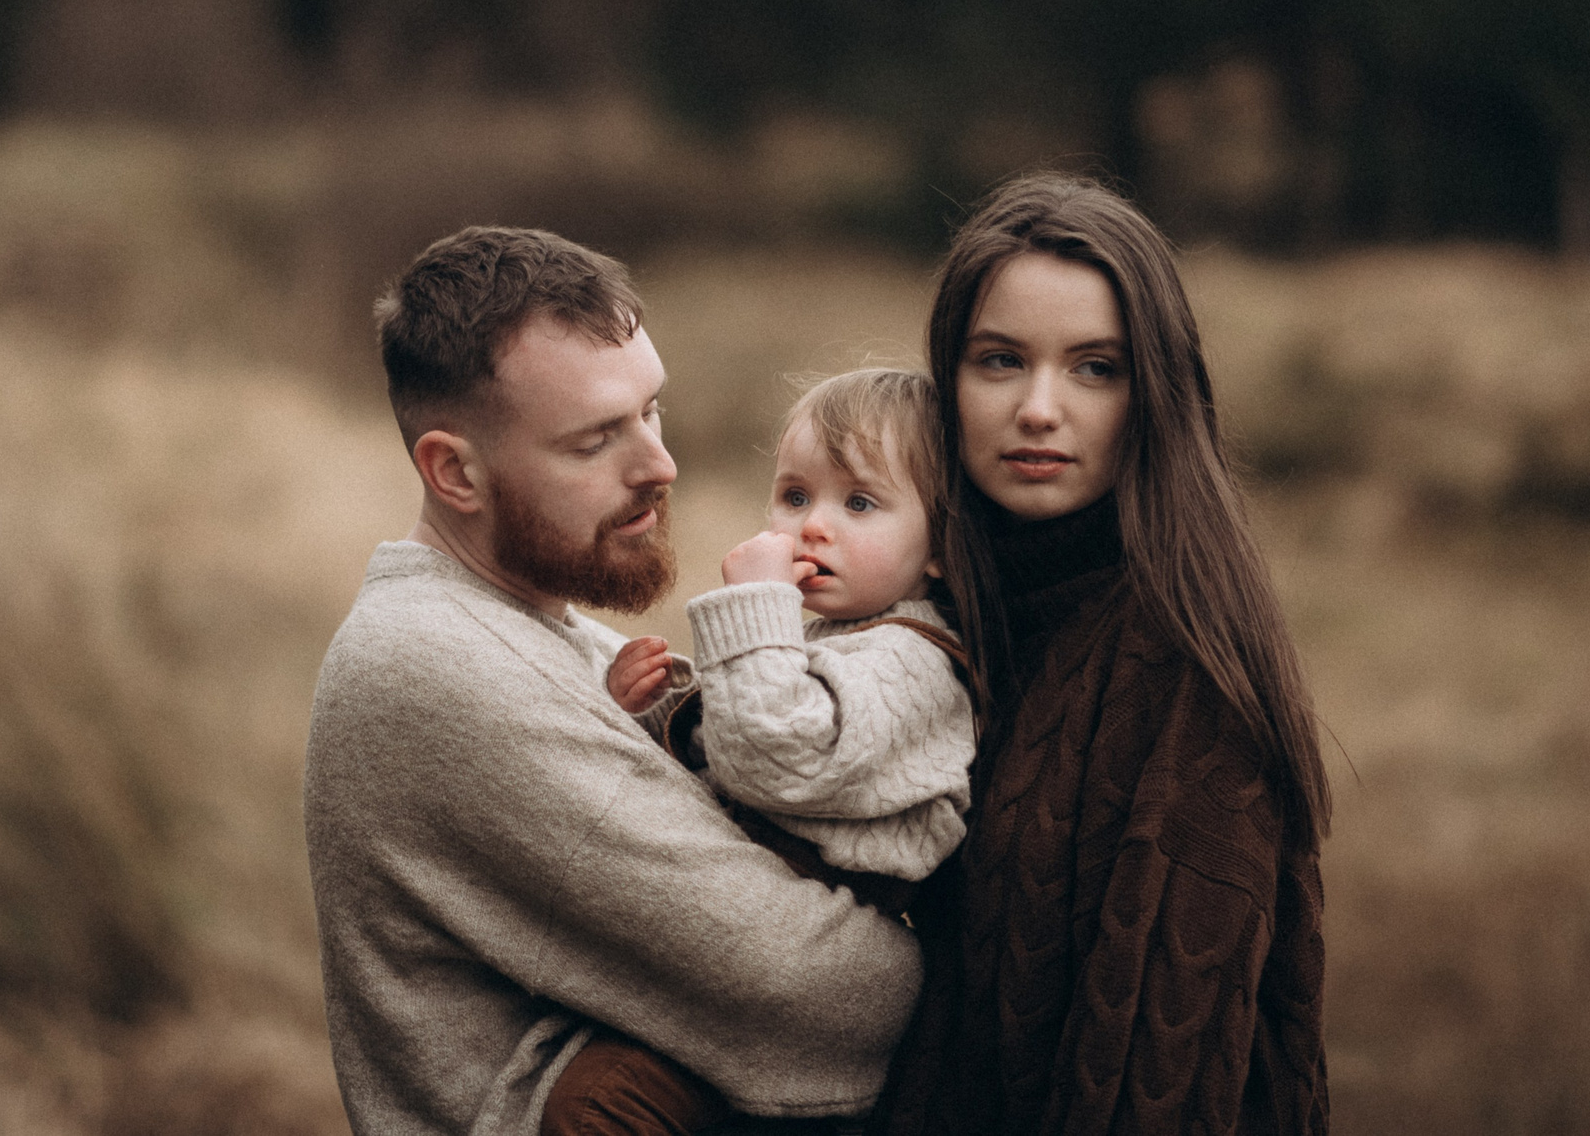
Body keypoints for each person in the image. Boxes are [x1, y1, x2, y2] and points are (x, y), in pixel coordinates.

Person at [305, 226, 921, 1136]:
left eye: (652, 411)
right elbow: (823, 998)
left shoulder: (545, 636)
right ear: (454, 470)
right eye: (596, 440)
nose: (659, 466)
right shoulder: (431, 666)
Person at [869, 173, 1332, 1136]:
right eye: (1000, 360)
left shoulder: (1184, 670)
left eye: (1095, 368)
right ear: (946, 382)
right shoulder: (934, 623)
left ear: (1155, 392)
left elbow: (1153, 1091)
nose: (1040, 408)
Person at [555, 370, 978, 1136]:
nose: (812, 526)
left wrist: (754, 606)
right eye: (794, 496)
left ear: (943, 546)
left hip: (817, 1010)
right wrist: (646, 711)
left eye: (858, 503)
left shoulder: (919, 662)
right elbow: (725, 746)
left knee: (599, 1106)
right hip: (740, 966)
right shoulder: (829, 635)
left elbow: (776, 753)